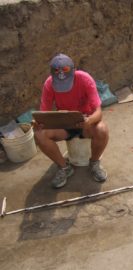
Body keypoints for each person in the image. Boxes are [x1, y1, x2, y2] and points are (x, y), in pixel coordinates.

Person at [34, 53, 109, 188]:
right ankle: (64, 167)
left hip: (86, 122)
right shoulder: (49, 83)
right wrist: (40, 123)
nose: (62, 88)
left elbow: (98, 112)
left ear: (74, 71)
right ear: (52, 74)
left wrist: (89, 120)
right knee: (39, 134)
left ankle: (94, 163)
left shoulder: (85, 79)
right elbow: (44, 113)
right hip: (64, 125)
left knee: (102, 129)